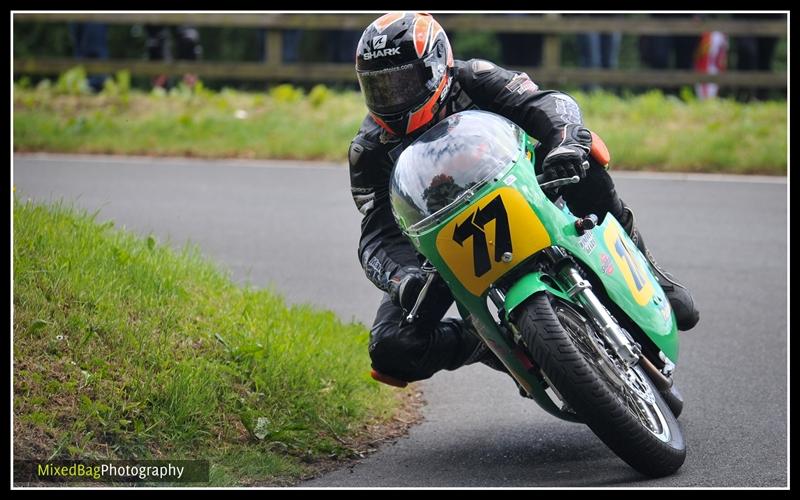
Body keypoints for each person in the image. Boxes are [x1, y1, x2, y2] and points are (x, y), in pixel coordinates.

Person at [349, 12, 700, 386]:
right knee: (391, 350)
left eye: (402, 83)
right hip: (438, 250)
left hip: (522, 186)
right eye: (380, 88)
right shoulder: (368, 150)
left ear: (436, 67)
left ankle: (644, 268)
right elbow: (377, 235)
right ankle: (484, 340)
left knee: (588, 156)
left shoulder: (474, 77)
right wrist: (403, 279)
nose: (392, 97)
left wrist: (566, 142)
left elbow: (547, 103)